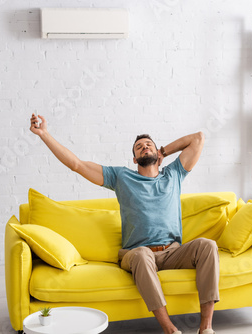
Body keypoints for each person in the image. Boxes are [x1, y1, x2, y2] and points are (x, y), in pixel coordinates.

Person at [30, 114, 218, 334]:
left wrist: (164, 151)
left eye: (149, 145)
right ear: (135, 159)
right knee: (141, 254)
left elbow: (198, 138)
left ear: (157, 153)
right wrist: (44, 134)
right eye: (139, 147)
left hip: (173, 252)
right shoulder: (121, 176)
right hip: (137, 253)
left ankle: (206, 328)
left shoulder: (174, 174)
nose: (144, 147)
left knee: (208, 245)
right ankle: (170, 329)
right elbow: (77, 164)